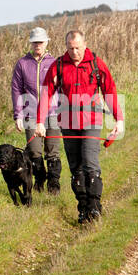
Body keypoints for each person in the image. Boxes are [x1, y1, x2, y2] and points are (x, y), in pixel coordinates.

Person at [36, 28, 122, 224]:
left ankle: (94, 206)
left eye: (77, 48)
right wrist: (40, 121)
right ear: (66, 46)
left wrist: (119, 120)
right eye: (70, 48)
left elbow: (110, 91)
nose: (74, 52)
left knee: (90, 164)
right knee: (76, 169)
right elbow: (46, 95)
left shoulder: (95, 64)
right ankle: (82, 208)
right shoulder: (58, 66)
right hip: (67, 124)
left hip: (91, 122)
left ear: (84, 45)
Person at [10, 27, 62, 194]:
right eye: (35, 42)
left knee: (53, 150)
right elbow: (16, 89)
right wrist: (18, 115)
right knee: (34, 151)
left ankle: (54, 185)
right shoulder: (22, 64)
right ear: (31, 43)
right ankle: (40, 179)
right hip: (30, 113)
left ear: (47, 42)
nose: (37, 44)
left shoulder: (55, 63)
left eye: (40, 41)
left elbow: (62, 88)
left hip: (53, 113)